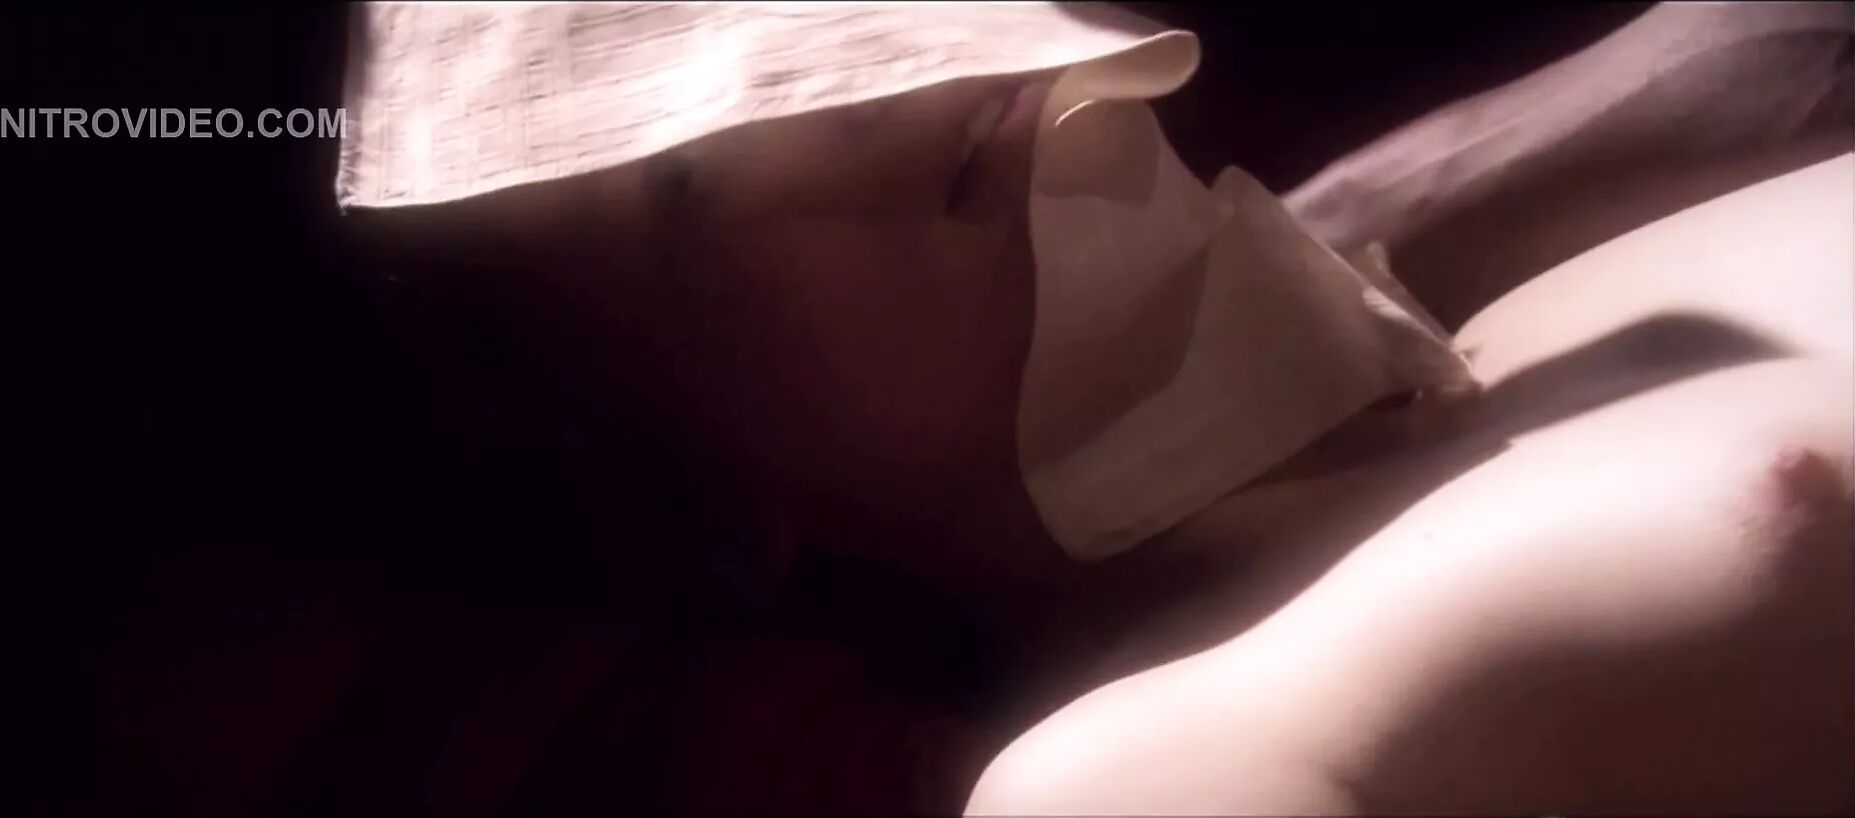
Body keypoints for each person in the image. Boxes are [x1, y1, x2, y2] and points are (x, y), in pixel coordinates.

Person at [340, 2, 1851, 813]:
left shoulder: (1540, 285)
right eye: (676, 166)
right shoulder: (1133, 763)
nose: (833, 96)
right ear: (706, 502)